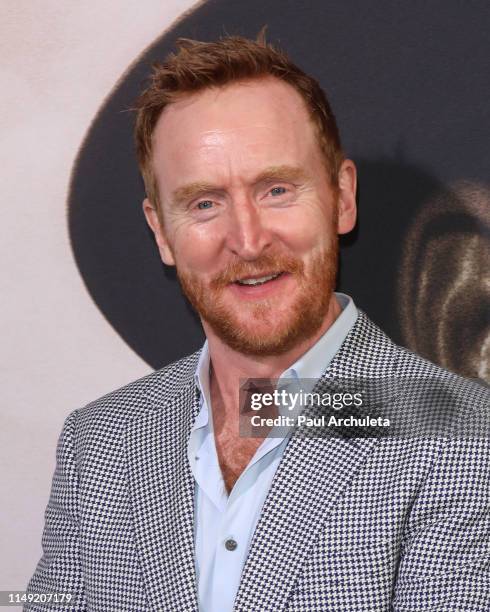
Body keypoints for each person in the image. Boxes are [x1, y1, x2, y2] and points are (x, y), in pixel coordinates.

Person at [26, 33, 489, 611]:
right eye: (204, 203)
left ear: (341, 197)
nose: (246, 241)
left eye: (275, 190)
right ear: (161, 232)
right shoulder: (97, 444)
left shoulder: (464, 437)